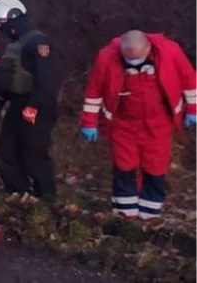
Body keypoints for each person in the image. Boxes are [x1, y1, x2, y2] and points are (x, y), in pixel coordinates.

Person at [79, 30, 197, 221]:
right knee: (124, 167)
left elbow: (189, 78)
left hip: (159, 122)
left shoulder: (169, 52)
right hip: (122, 123)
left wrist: (193, 108)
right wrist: (89, 122)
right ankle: (125, 215)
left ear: (148, 48)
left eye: (138, 58)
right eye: (129, 59)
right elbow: (95, 90)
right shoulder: (107, 56)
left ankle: (150, 215)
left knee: (156, 167)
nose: (133, 63)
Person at [0, 0, 62, 204]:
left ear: (13, 18)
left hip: (38, 104)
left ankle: (45, 196)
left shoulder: (38, 42)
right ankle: (17, 190)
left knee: (34, 151)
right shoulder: (14, 44)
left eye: (0, 24)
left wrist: (34, 106)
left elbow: (47, 79)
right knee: (6, 149)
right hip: (18, 102)